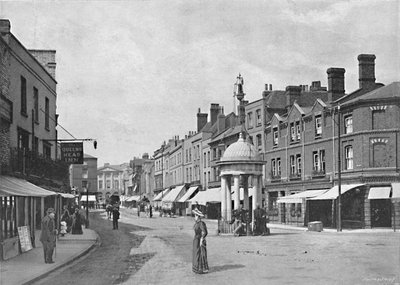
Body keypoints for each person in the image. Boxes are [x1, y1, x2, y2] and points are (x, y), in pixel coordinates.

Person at [192, 208, 209, 274]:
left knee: (200, 254)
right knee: (196, 254)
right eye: (195, 216)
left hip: (199, 240)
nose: (195, 217)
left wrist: (202, 239)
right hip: (196, 240)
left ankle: (201, 269)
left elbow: (205, 232)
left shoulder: (201, 223)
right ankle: (196, 268)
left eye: (196, 216)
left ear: (199, 217)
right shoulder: (197, 223)